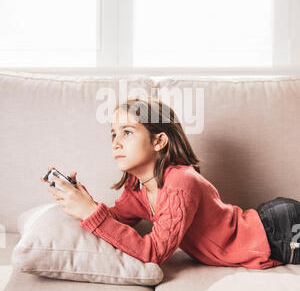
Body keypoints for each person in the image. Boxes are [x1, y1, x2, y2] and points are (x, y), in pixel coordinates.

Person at [41, 96, 300, 269]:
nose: (116, 142)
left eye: (127, 132)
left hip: (277, 230)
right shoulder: (137, 188)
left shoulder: (181, 183)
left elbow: (153, 253)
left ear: (159, 141)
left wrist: (89, 212)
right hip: (268, 226)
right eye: (113, 134)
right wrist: (80, 199)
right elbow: (113, 222)